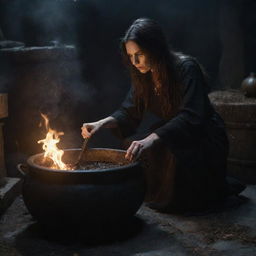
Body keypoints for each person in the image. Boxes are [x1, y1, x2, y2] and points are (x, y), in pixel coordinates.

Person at [81, 18, 245, 213]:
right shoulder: (143, 74)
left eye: (139, 54)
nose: (134, 62)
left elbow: (192, 117)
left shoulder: (186, 68)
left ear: (155, 48)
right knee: (130, 147)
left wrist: (151, 139)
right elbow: (129, 111)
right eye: (131, 55)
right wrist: (101, 123)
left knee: (162, 153)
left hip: (202, 136)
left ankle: (189, 193)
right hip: (173, 132)